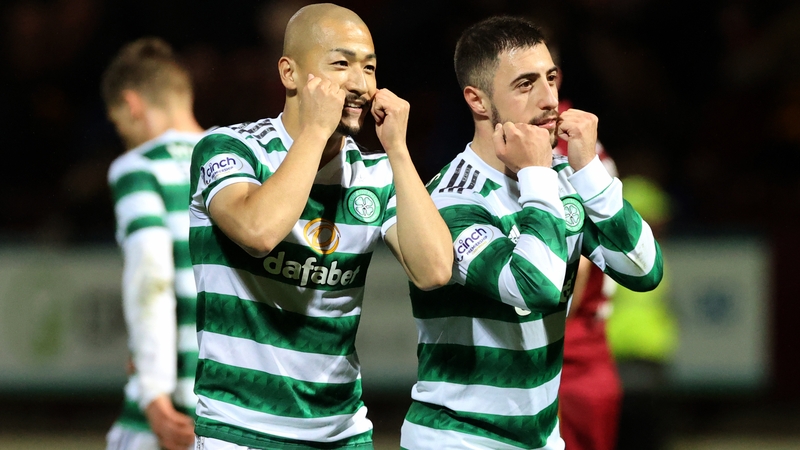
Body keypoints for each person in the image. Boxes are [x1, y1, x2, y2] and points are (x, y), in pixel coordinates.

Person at [188, 3, 453, 450]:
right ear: (289, 74)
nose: (361, 84)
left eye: (369, 68)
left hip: (343, 432)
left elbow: (434, 271)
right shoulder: (228, 149)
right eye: (341, 64)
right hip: (239, 431)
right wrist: (315, 131)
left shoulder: (374, 174)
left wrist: (399, 153)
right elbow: (259, 232)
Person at [399, 15, 663, 450]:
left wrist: (589, 173)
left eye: (551, 79)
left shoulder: (560, 178)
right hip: (457, 439)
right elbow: (534, 286)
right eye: (525, 84)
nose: (548, 100)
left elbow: (645, 270)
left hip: (541, 438)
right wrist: (540, 177)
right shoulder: (451, 200)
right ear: (478, 101)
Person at [103, 37, 204, 450]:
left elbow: (152, 278)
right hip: (238, 401)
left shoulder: (139, 169)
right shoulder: (244, 160)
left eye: (116, 123)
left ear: (132, 105)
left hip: (172, 408)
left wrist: (152, 389)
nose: (122, 134)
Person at [555, 98, 623, 450]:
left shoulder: (570, 148)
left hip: (570, 355)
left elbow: (578, 259)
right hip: (589, 360)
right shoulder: (590, 148)